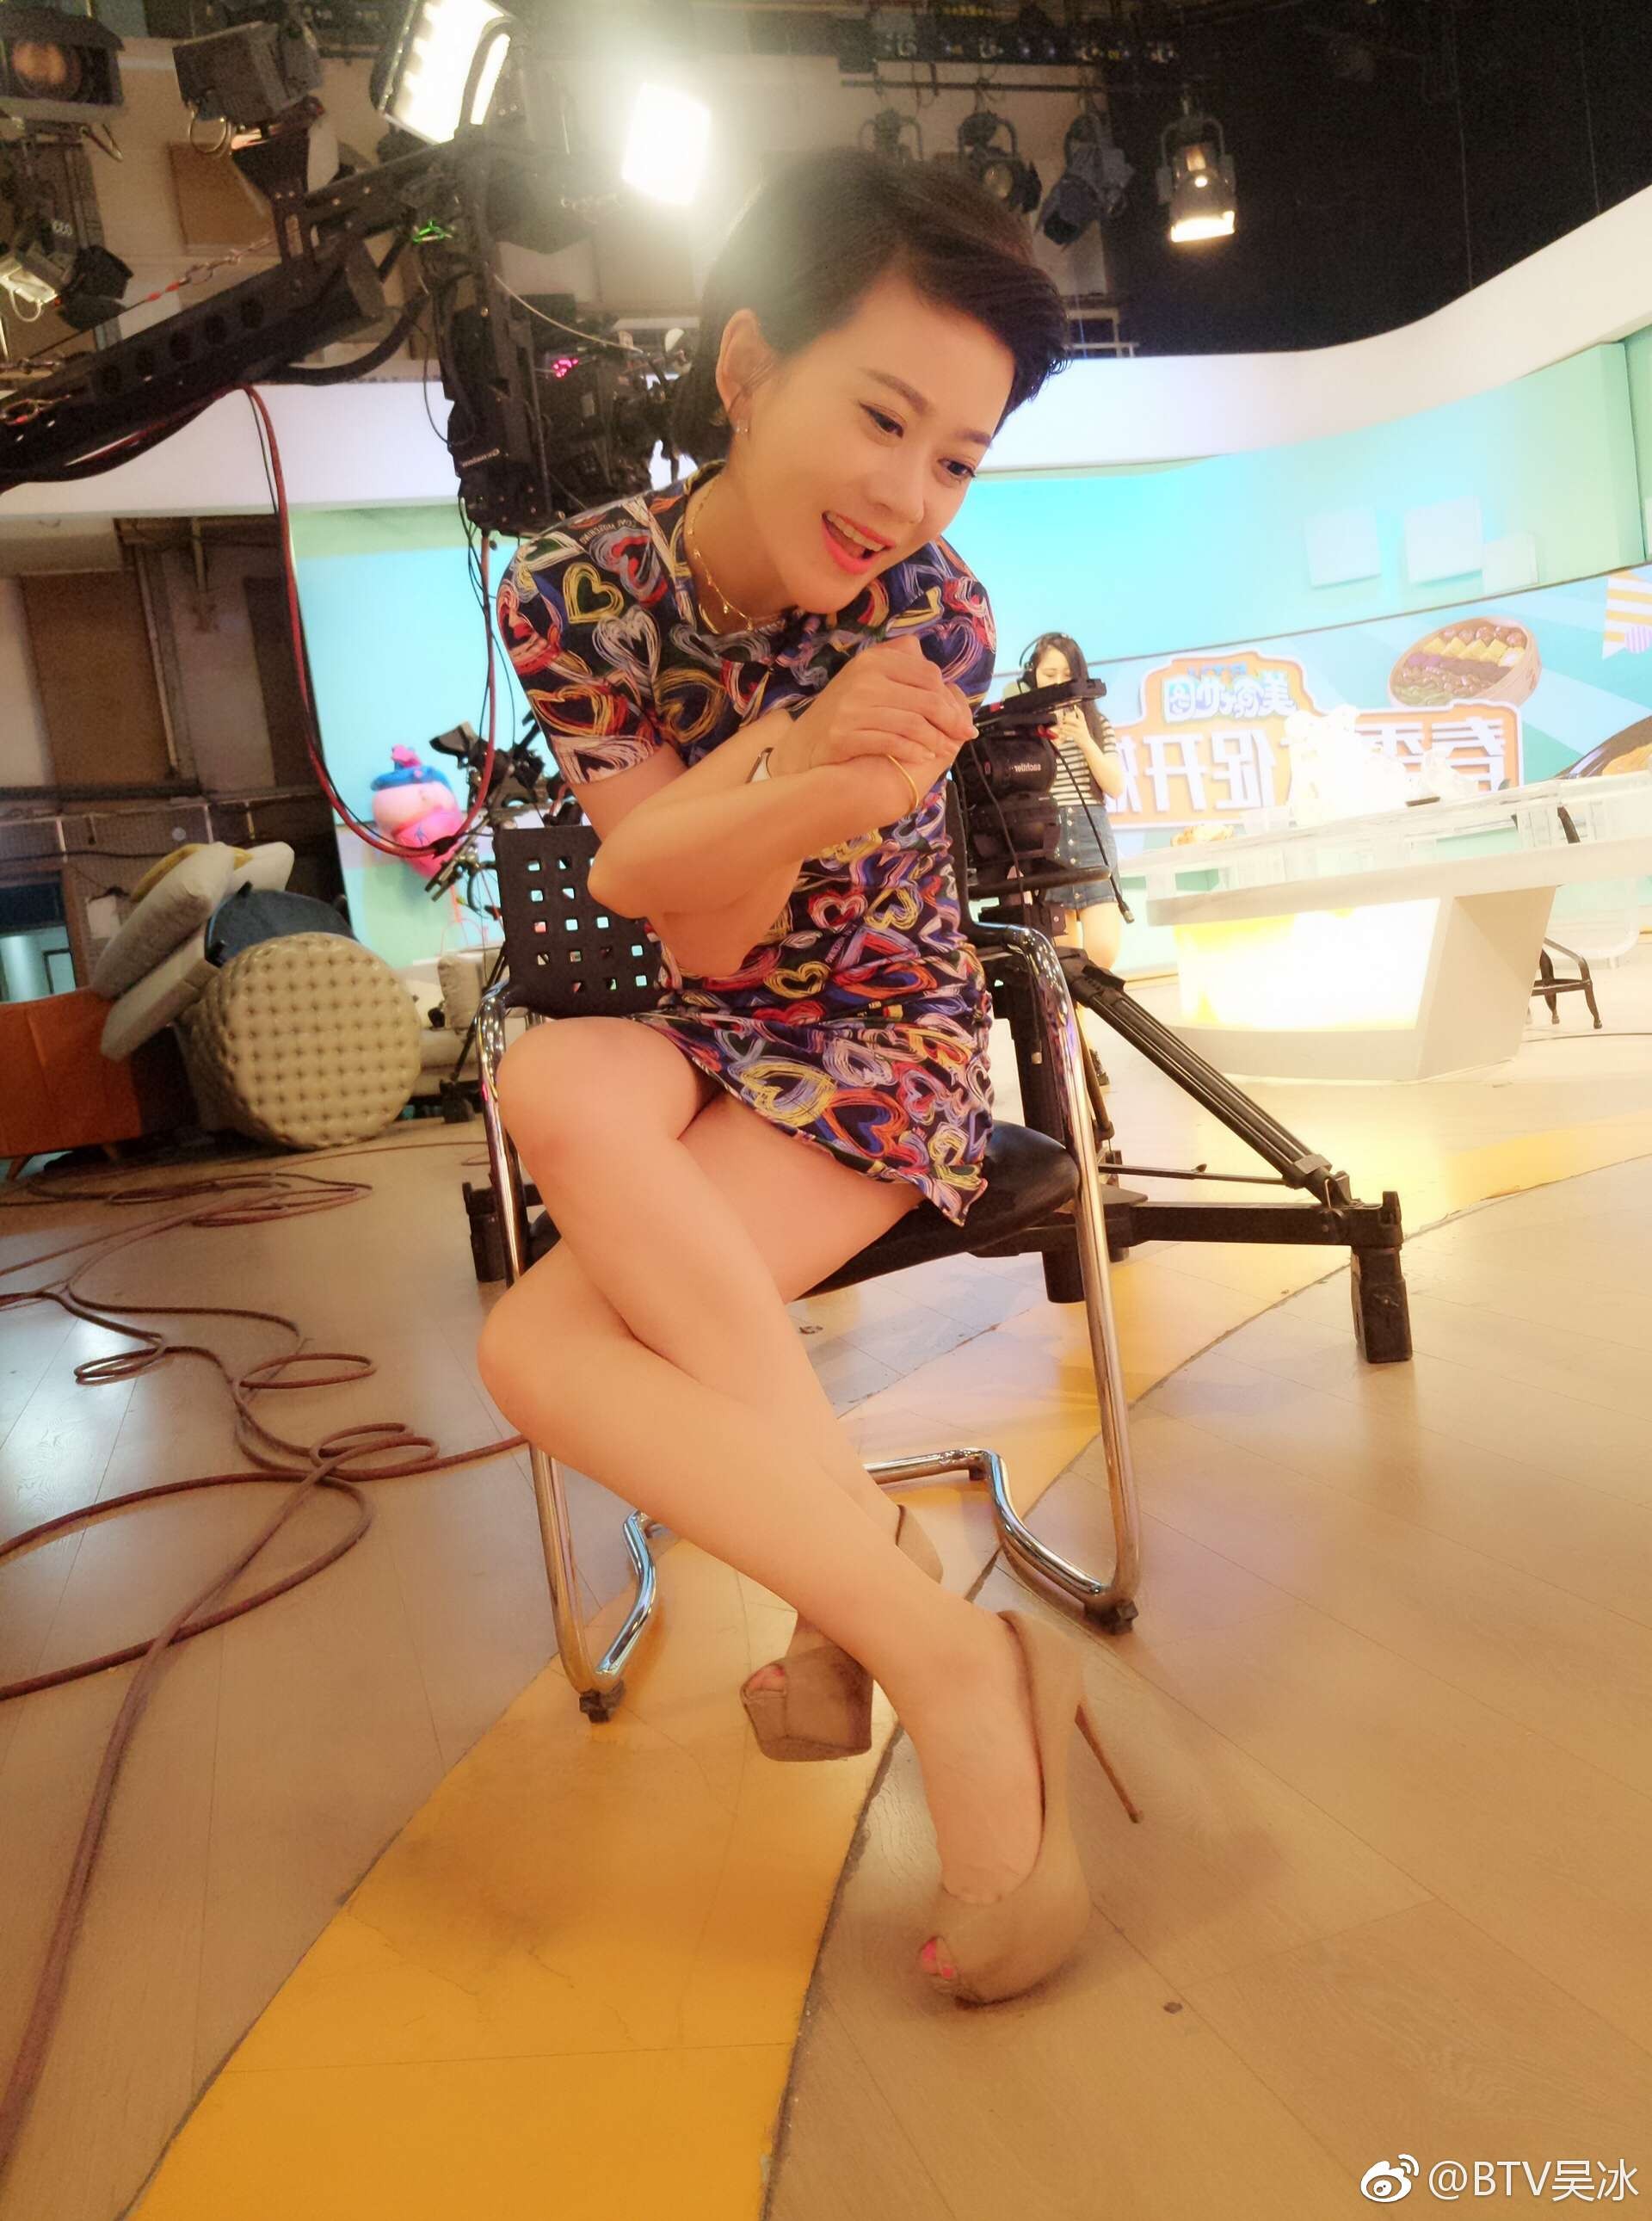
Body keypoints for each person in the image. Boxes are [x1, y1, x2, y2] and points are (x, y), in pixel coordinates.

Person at [478, 146, 1138, 2011]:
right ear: (751, 368)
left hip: (874, 1036)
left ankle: (886, 1623)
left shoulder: (934, 614)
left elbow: (695, 890)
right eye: (882, 416)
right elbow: (675, 928)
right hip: (710, 1024)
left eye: (957, 457)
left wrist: (745, 789)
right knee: (554, 1079)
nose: (909, 494)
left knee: (535, 1353)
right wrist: (787, 746)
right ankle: (934, 1635)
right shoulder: (575, 590)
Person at [1021, 631, 1127, 971]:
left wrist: (1084, 741)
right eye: (1049, 674)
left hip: (1090, 834)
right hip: (1047, 837)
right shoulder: (1024, 729)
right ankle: (1075, 1011)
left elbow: (1115, 786)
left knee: (1102, 952)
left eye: (1067, 675)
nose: (1058, 683)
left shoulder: (1097, 724)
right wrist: (1042, 745)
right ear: (1033, 676)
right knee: (1065, 962)